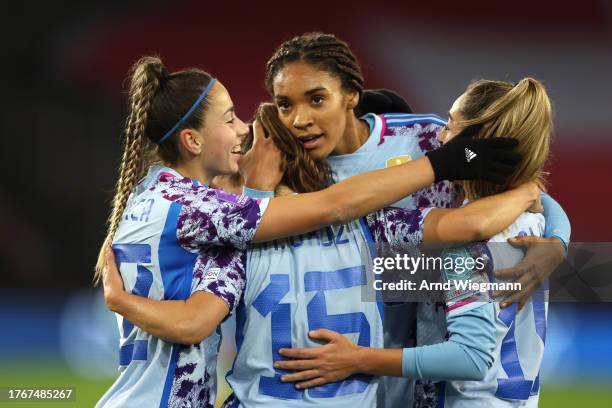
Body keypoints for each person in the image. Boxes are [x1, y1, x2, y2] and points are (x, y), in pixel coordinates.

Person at [94, 56, 519, 408]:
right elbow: (455, 230)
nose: (242, 129)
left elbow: (195, 321)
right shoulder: (370, 227)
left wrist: (120, 301)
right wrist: (532, 197)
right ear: (192, 140)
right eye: (231, 119)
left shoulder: (223, 243)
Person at [259, 32, 570, 407]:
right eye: (284, 105)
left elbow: (508, 185)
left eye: (317, 98)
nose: (299, 120)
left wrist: (557, 241)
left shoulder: (426, 140)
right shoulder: (278, 166)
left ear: (351, 95)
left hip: (410, 371)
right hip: (322, 373)